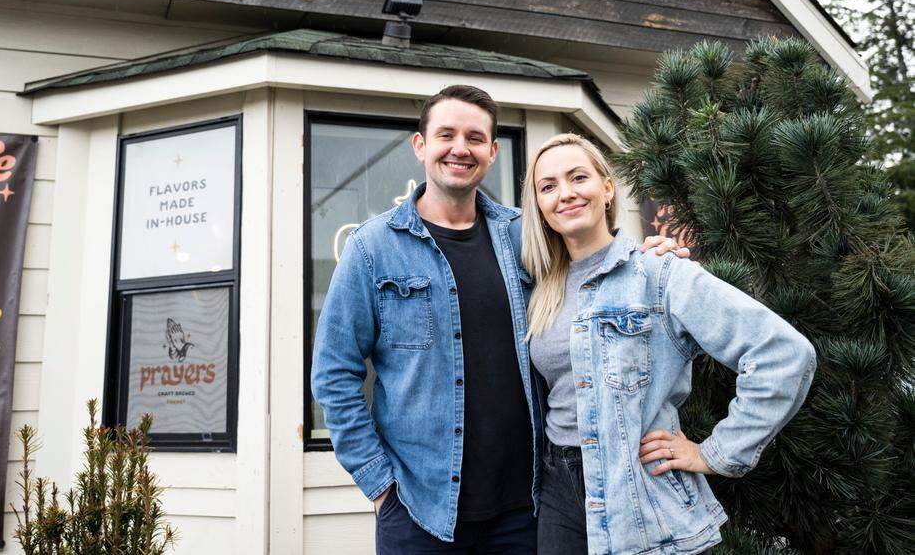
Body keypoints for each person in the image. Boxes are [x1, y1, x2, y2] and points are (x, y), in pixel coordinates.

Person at [311, 86, 685, 554]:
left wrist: (647, 258)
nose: (460, 148)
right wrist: (380, 486)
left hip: (524, 511)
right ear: (420, 145)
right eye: (446, 135)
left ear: (492, 152)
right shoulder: (372, 248)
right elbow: (333, 374)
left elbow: (596, 265)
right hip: (418, 509)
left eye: (474, 138)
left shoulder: (525, 235)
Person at [523, 133, 816, 554]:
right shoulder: (540, 288)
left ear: (608, 188)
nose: (565, 193)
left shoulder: (660, 274)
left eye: (578, 177)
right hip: (558, 492)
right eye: (548, 186)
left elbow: (784, 354)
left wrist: (713, 453)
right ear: (538, 205)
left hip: (640, 493)